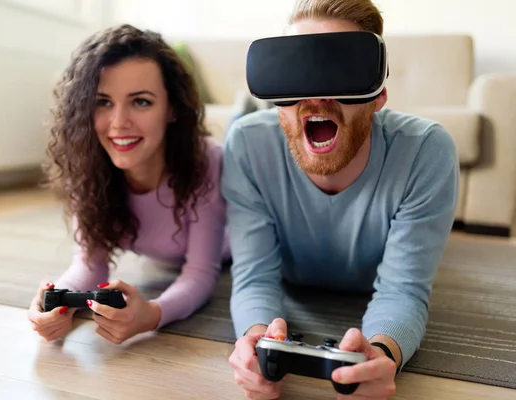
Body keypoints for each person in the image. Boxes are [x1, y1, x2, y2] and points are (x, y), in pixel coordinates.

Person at [223, 0, 459, 398]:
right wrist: (256, 341)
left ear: (379, 94)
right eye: (297, 75)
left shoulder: (425, 152)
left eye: (340, 74)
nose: (316, 97)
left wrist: (381, 354)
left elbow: (402, 290)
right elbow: (254, 274)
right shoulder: (247, 146)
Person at [27, 24, 229, 345]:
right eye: (103, 102)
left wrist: (151, 314)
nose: (119, 122)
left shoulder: (207, 160)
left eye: (141, 102)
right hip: (163, 262)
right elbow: (89, 264)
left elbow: (202, 273)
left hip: (227, 250)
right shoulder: (89, 163)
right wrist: (57, 301)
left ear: (172, 108)